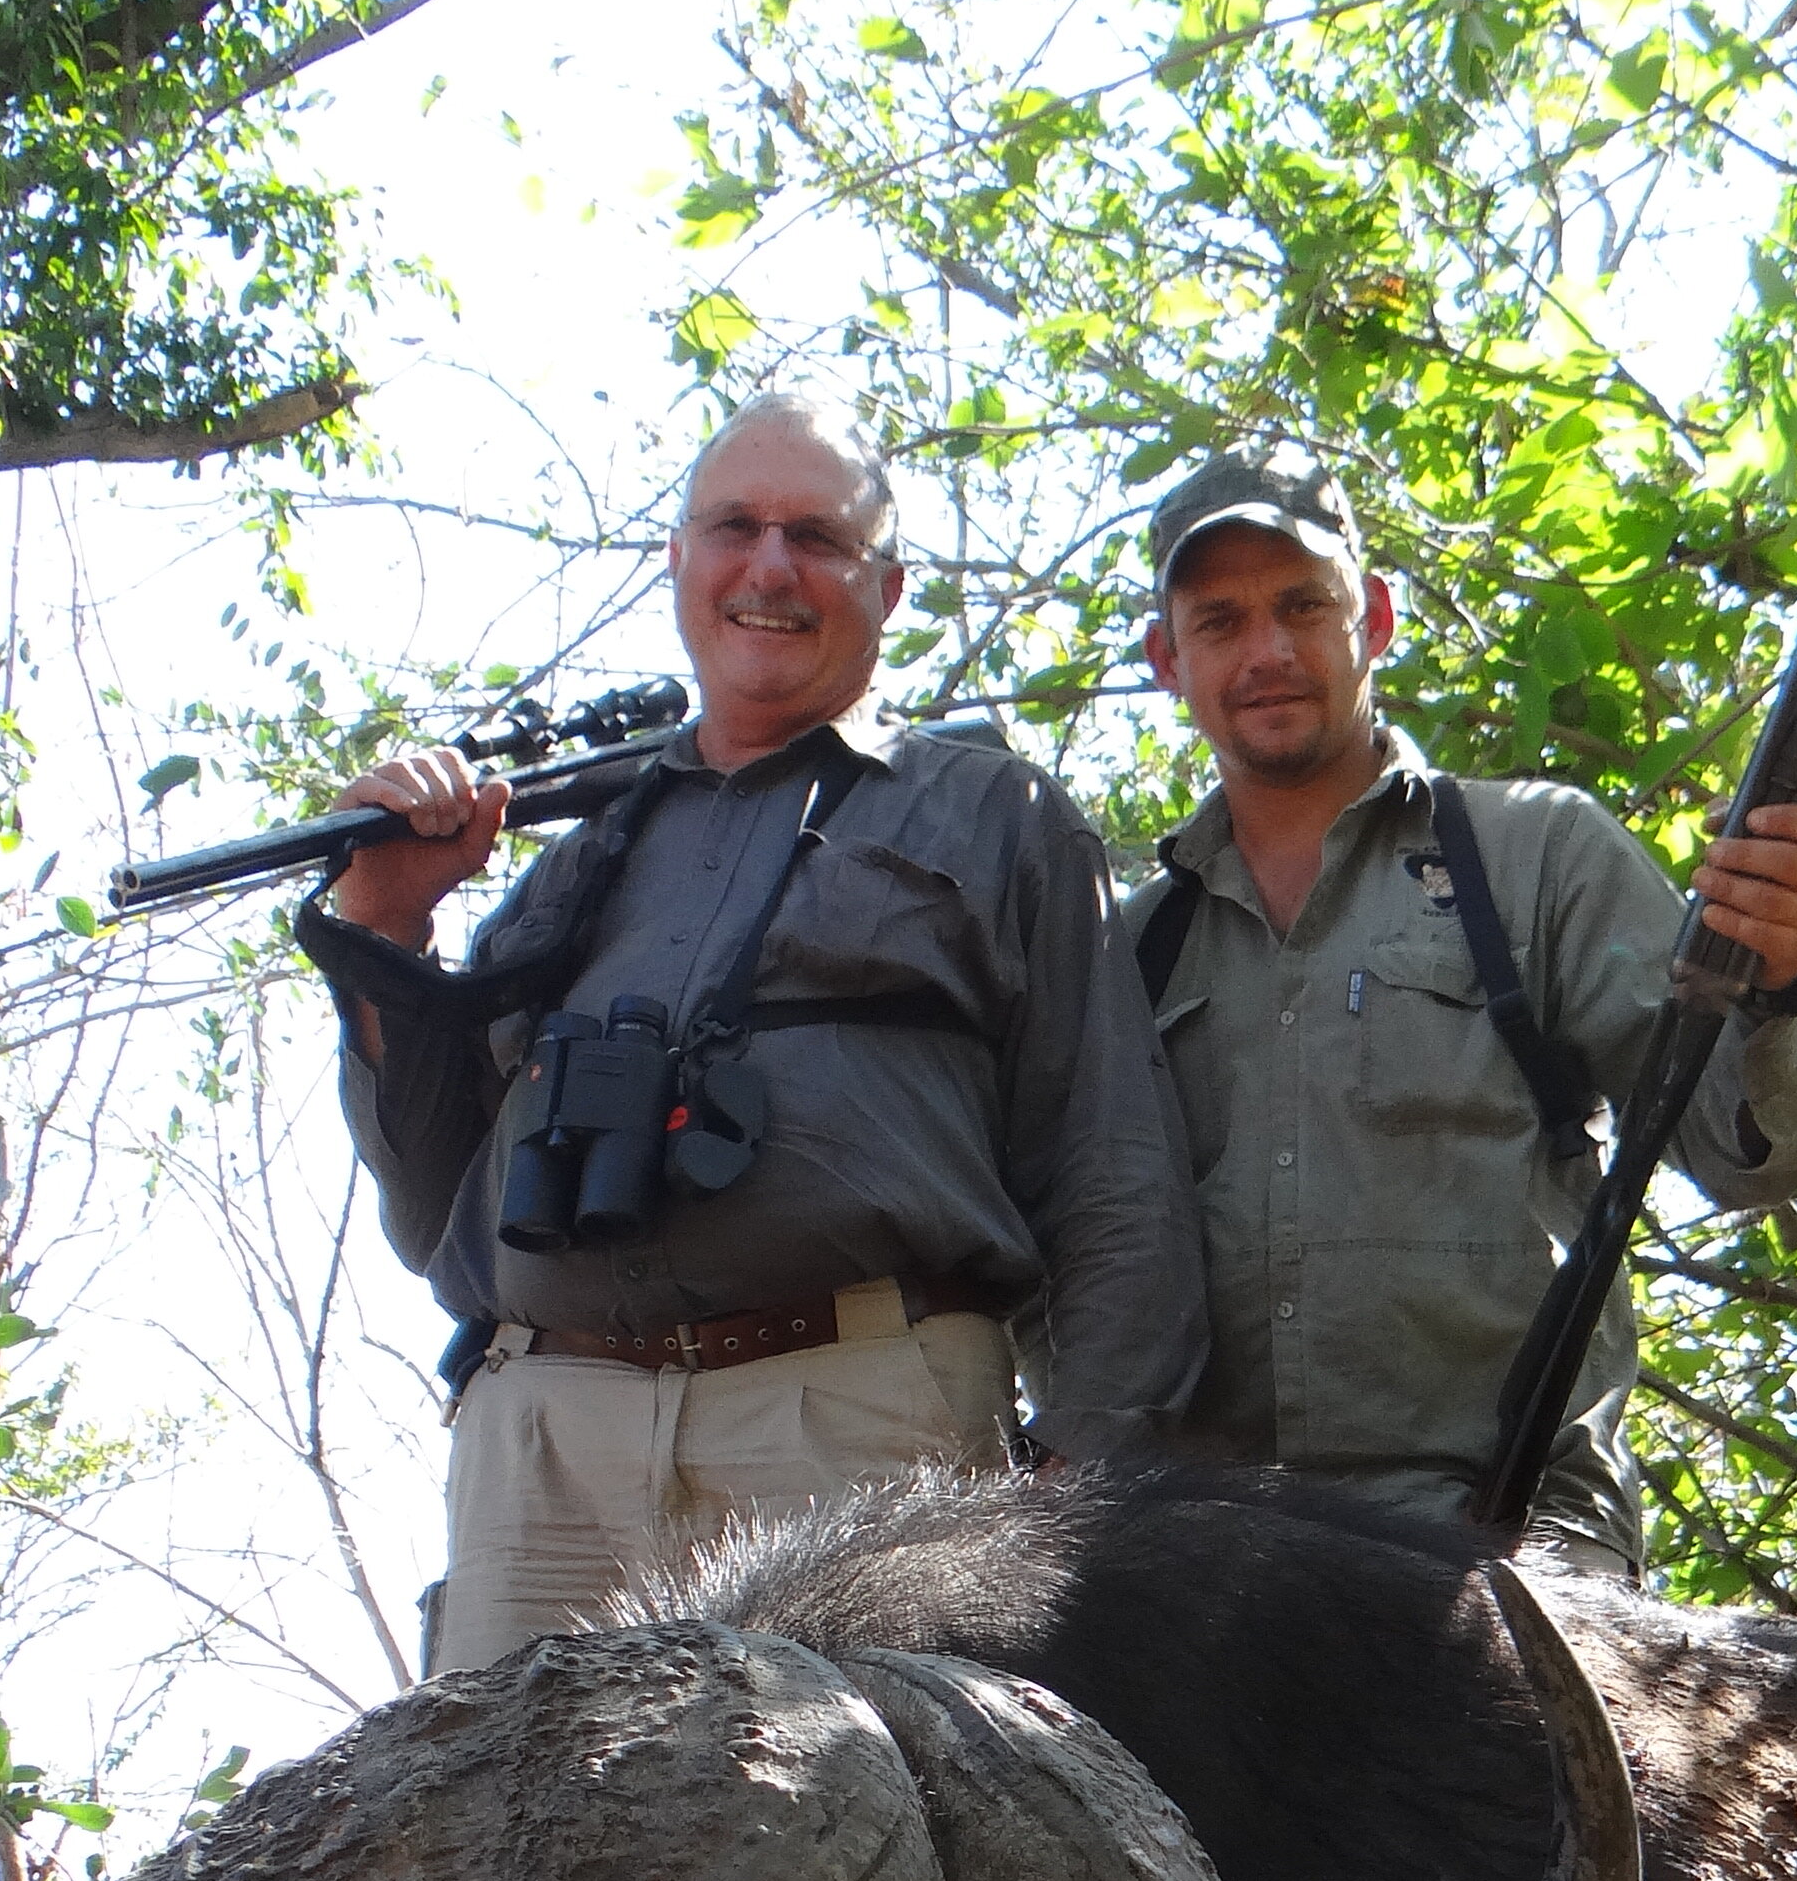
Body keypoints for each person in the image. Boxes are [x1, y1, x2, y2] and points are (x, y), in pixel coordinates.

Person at [300, 390, 1205, 1673]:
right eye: (734, 527)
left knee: (862, 1865)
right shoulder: (579, 856)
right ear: (679, 562)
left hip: (861, 1437)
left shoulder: (997, 815)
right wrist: (388, 938)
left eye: (817, 538)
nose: (770, 568)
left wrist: (1068, 1485)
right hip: (546, 1446)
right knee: (514, 1865)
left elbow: (1114, 1169)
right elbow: (428, 1205)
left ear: (887, 589)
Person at [1125, 446, 1797, 1580]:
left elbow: (1750, 1160)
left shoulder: (1538, 856)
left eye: (1302, 604)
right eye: (1219, 621)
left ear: (1374, 618)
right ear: (1168, 660)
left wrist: (1780, 979)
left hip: (1510, 1542)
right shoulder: (1135, 946)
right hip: (1220, 1574)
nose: (1266, 651)